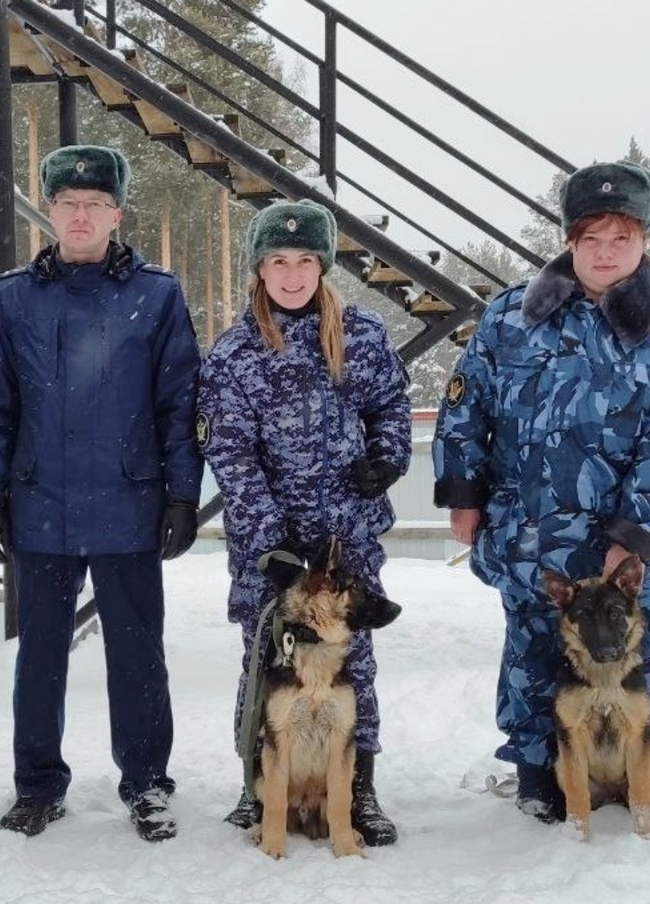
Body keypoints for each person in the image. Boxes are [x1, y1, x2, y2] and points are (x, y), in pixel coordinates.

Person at [432, 161, 650, 824]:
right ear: (568, 239)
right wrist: (465, 490)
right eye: (591, 237)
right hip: (531, 532)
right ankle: (539, 769)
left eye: (621, 237)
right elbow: (465, 404)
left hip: (626, 549)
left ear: (646, 240)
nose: (606, 251)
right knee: (534, 647)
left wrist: (635, 539)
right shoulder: (509, 317)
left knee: (649, 651)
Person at [0, 144, 202, 842]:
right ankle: (37, 784)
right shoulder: (15, 296)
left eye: (94, 204)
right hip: (40, 504)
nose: (80, 214)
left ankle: (148, 784)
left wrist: (182, 495)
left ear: (116, 214)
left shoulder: (157, 295)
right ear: (51, 211)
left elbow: (178, 401)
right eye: (68, 204)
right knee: (39, 655)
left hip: (129, 504)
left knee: (136, 654)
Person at [197, 198, 408, 846]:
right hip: (274, 550)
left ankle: (359, 788)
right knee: (268, 664)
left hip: (346, 539)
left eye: (306, 260)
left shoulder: (362, 334)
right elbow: (229, 451)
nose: (292, 274)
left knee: (354, 666)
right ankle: (258, 787)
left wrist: (388, 458)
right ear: (260, 269)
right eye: (279, 261)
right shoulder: (236, 354)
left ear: (323, 266)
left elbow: (391, 405)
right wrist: (270, 539)